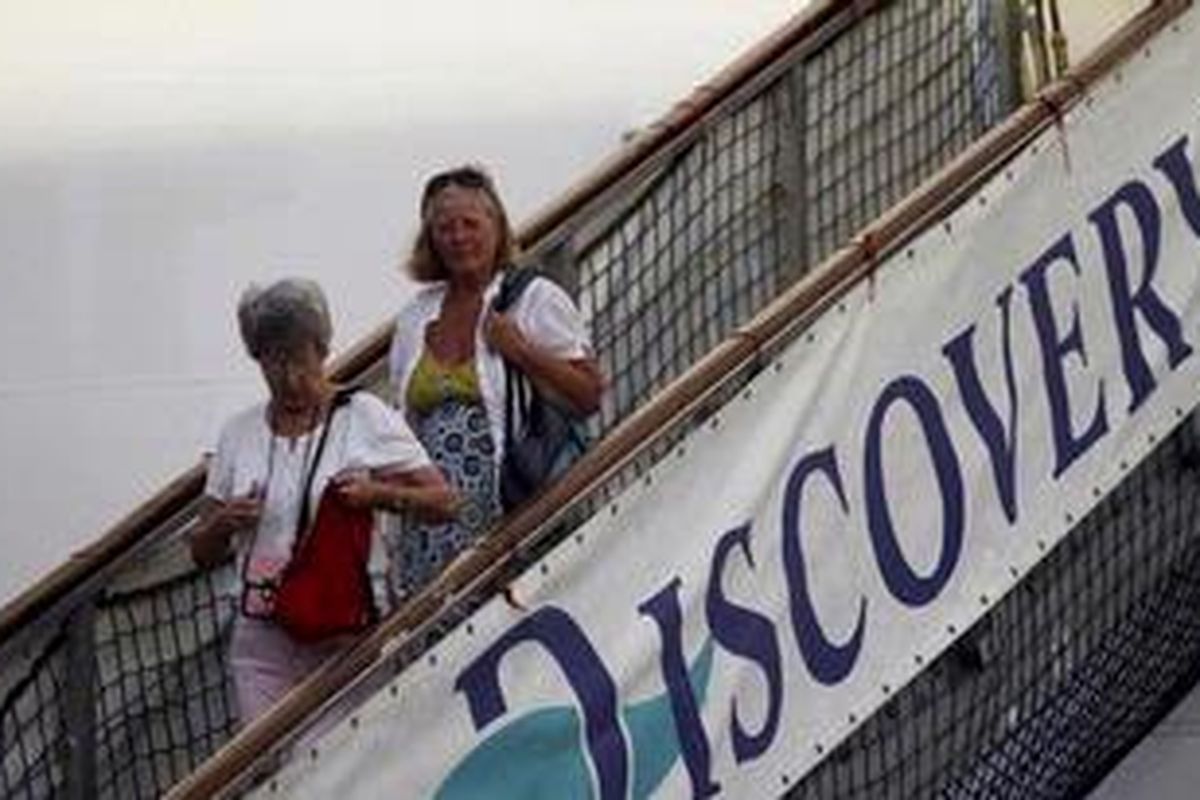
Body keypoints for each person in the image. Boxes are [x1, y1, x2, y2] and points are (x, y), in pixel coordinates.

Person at [190, 277, 456, 724]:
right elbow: (200, 551)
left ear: (323, 350)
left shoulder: (365, 416)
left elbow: (444, 501)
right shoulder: (237, 433)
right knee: (270, 770)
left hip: (344, 630)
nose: (291, 378)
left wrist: (380, 494)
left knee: (347, 765)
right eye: (275, 363)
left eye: (301, 360)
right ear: (257, 359)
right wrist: (223, 523)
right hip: (262, 633)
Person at [387, 165, 603, 602]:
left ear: (497, 226)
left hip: (514, 511)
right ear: (431, 239)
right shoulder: (415, 317)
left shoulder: (534, 298)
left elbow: (589, 394)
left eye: (471, 224)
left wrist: (522, 351)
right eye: (445, 228)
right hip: (433, 529)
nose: (459, 237)